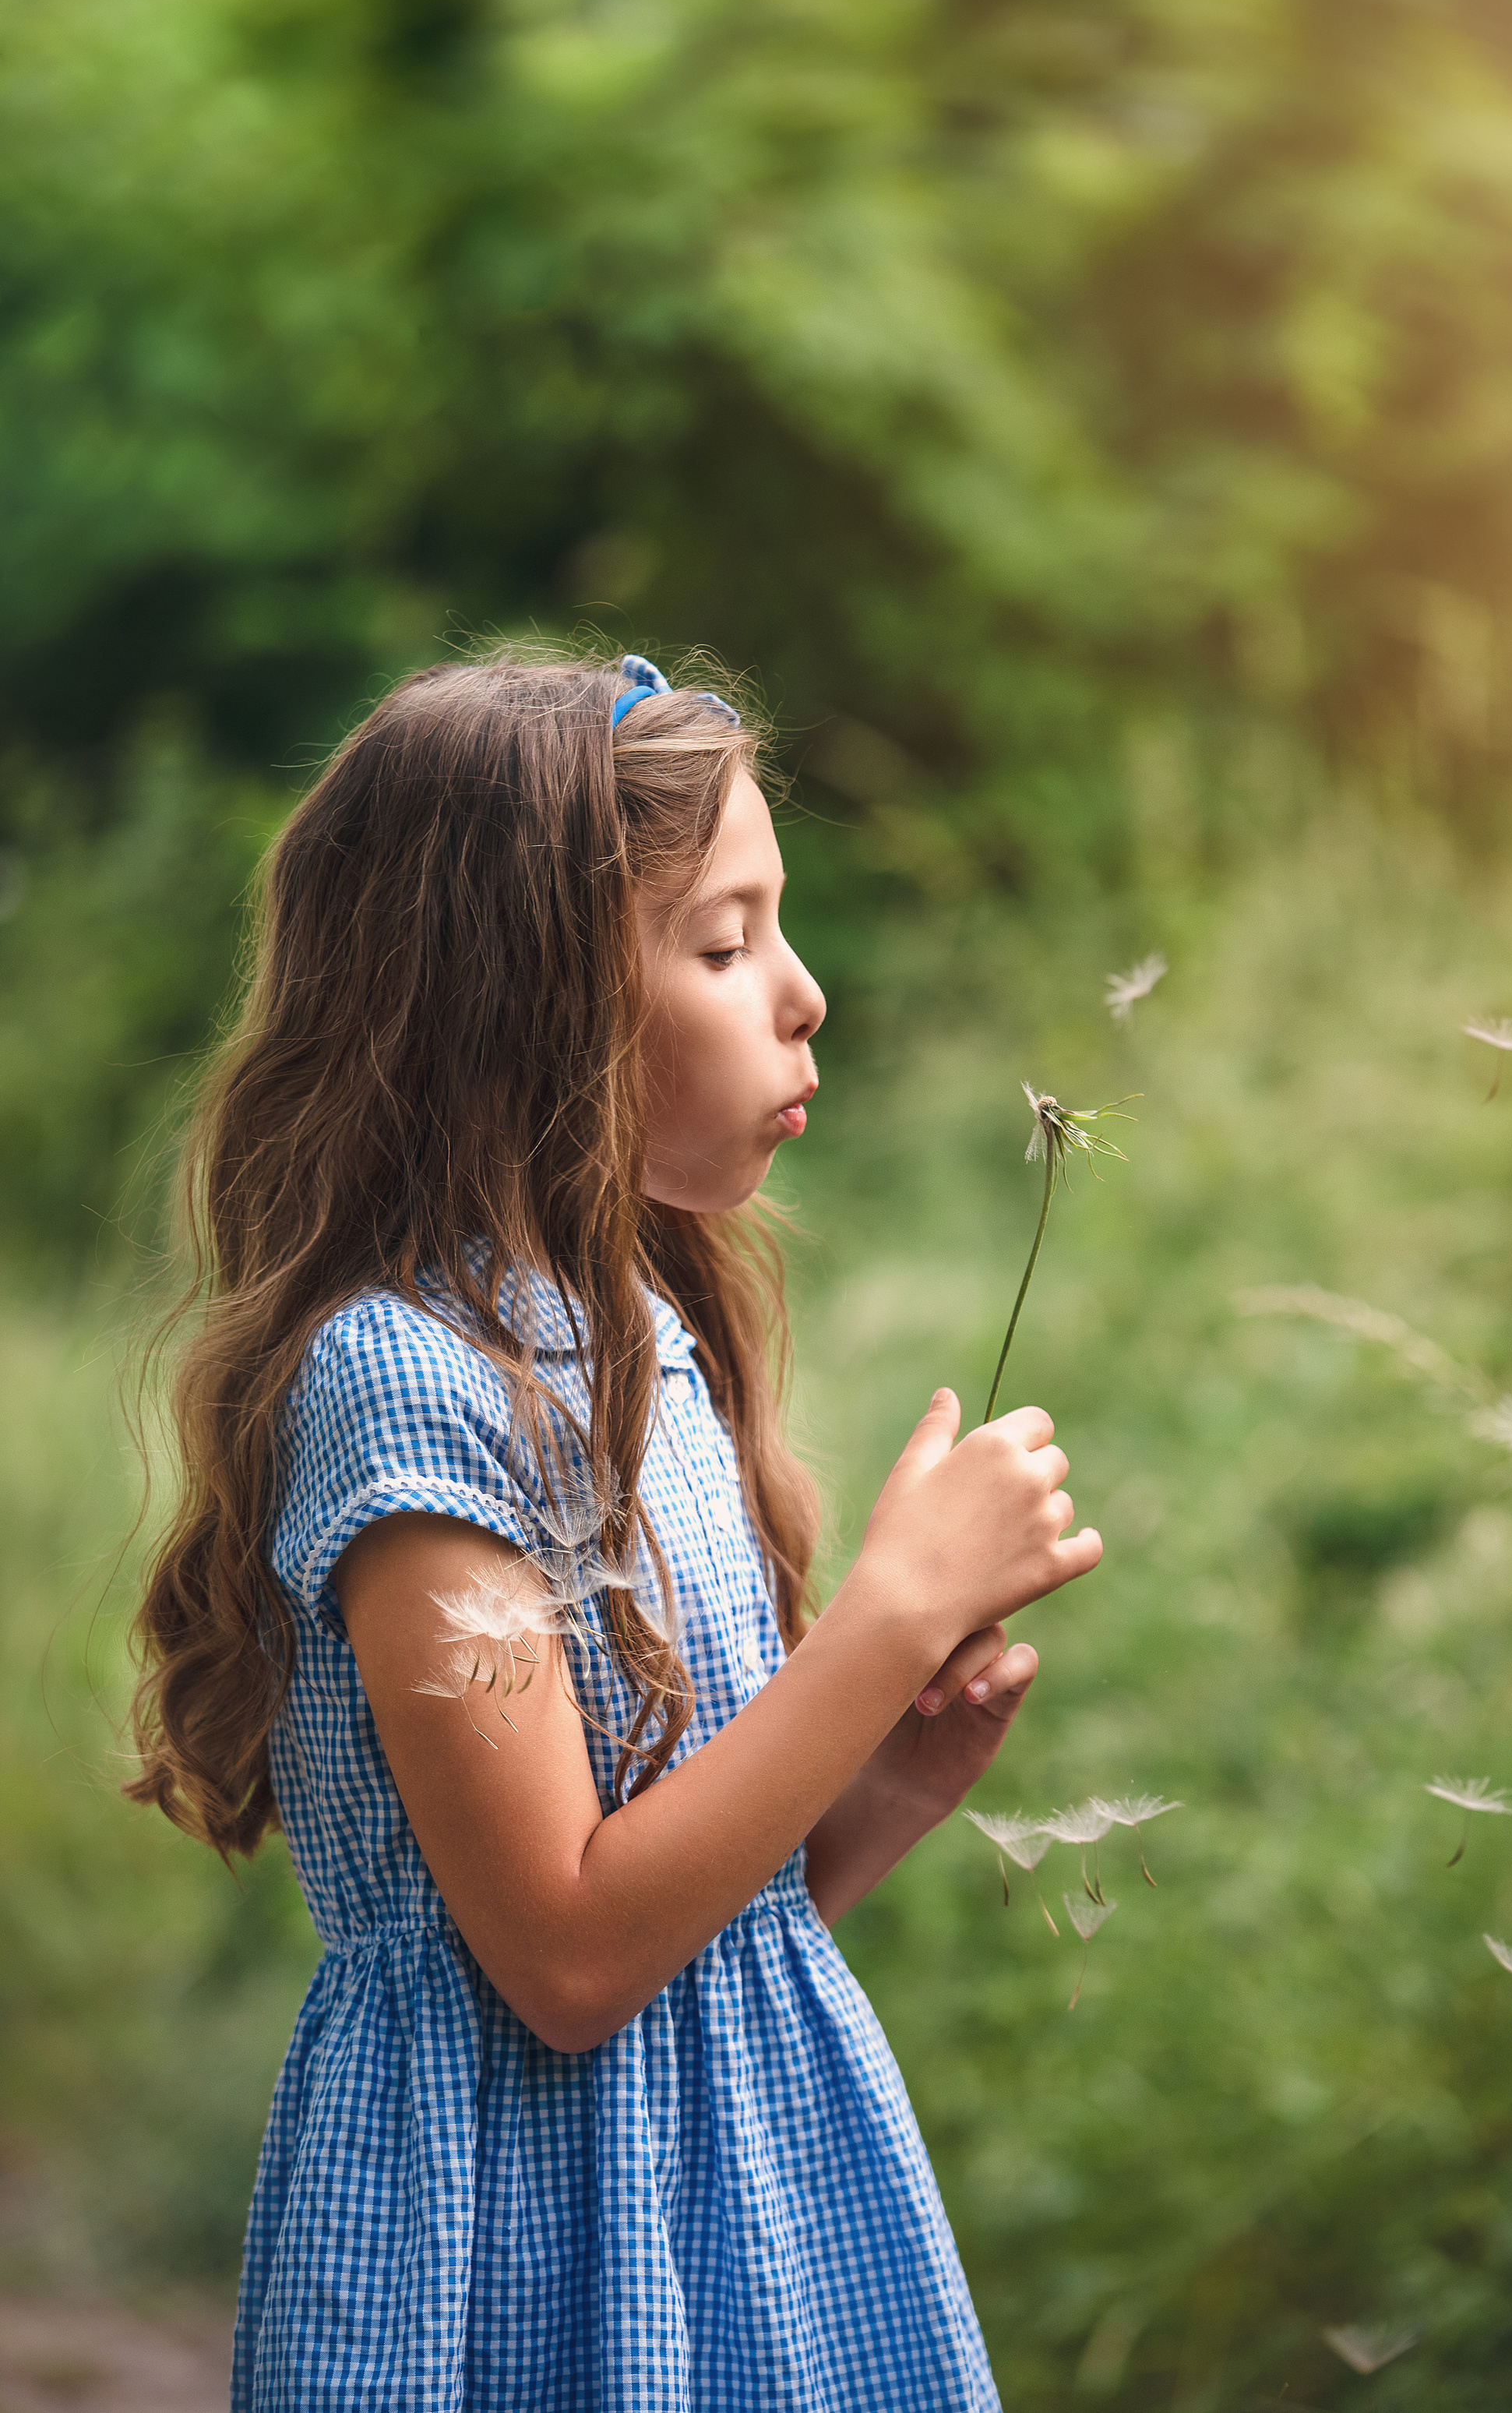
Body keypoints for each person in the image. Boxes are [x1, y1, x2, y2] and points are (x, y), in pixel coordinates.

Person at [124, 650, 1103, 2412]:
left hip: (726, 2222)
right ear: (531, 1001)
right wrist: (878, 1623)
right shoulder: (410, 1389)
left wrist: (877, 1782)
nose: (800, 995)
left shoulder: (638, 1334)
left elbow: (676, 1928)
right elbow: (567, 1956)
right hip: (501, 2265)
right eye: (722, 945)